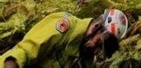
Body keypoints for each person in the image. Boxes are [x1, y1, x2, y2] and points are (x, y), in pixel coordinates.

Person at [0, 8, 128, 68]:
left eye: (101, 50)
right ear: (96, 27)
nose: (96, 51)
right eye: (99, 43)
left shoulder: (86, 61)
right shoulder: (64, 27)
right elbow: (22, 53)